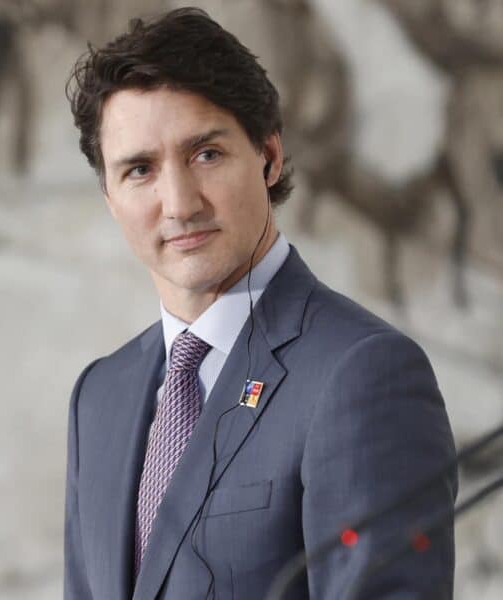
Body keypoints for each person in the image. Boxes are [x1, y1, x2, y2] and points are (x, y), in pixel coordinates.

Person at [62, 8, 457, 599]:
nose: (178, 203)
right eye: (139, 170)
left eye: (206, 155)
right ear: (110, 197)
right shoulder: (100, 396)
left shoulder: (363, 374)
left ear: (268, 157)